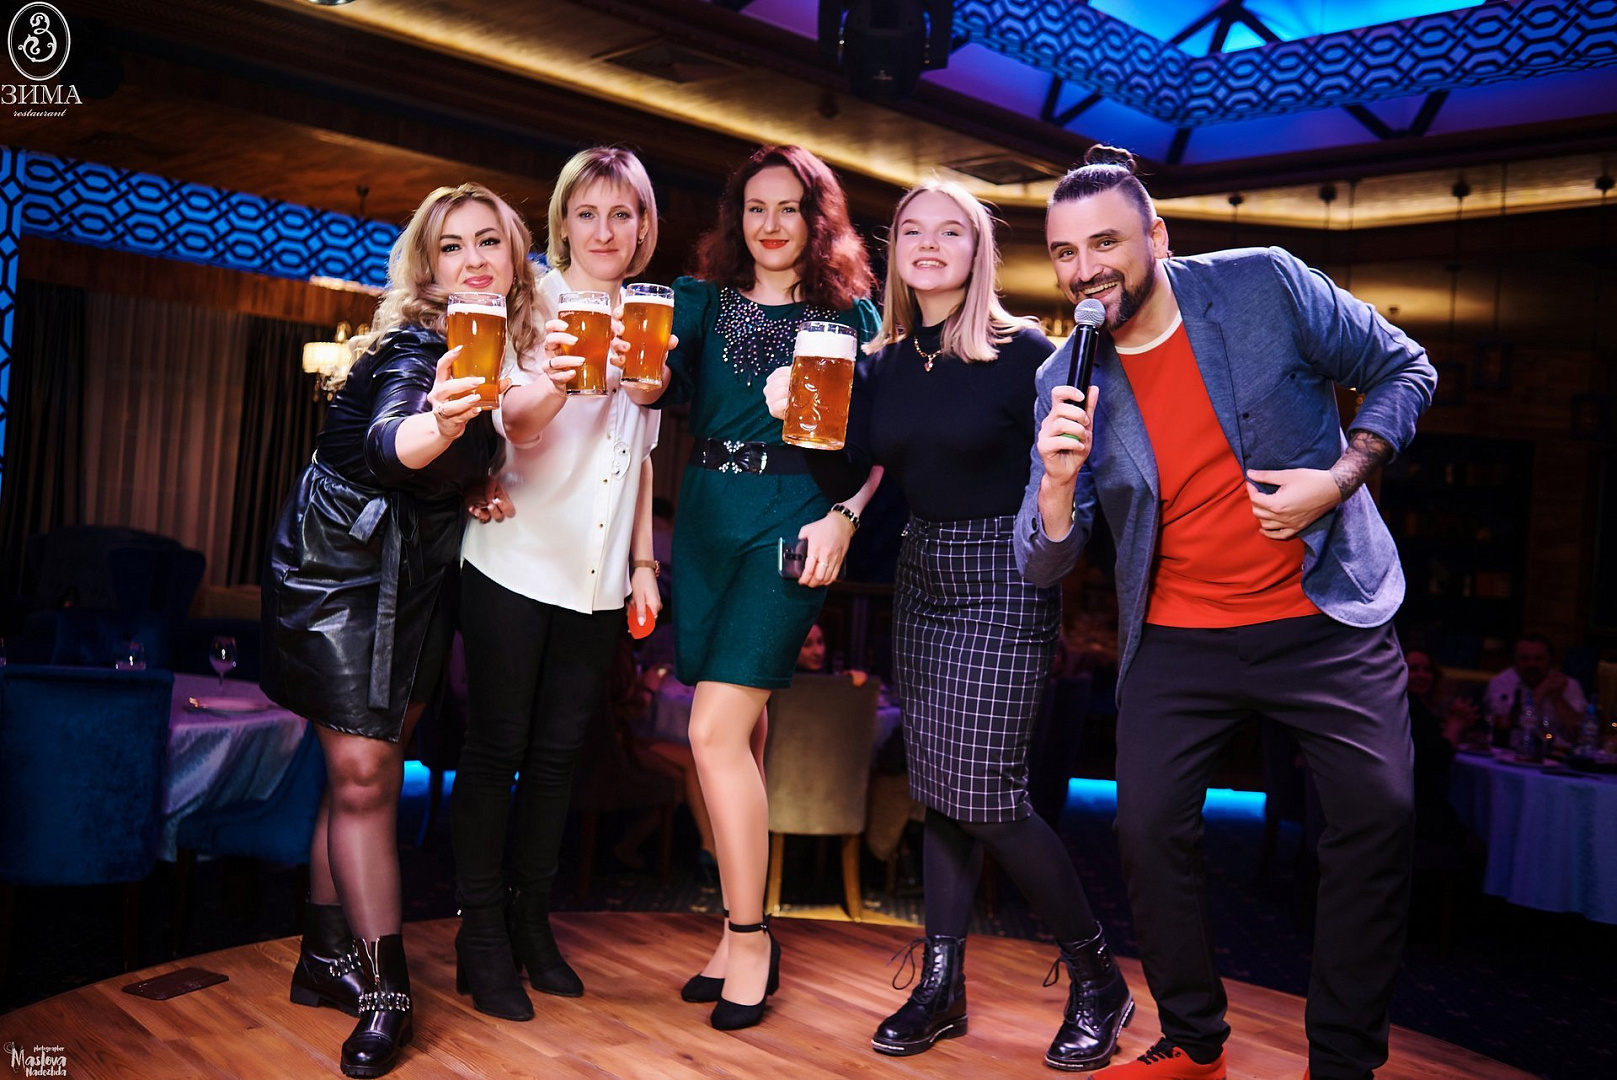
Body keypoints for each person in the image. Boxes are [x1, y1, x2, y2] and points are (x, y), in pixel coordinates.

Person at [1015, 146, 1435, 1080]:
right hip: (1178, 634)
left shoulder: (1263, 286)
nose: (1085, 270)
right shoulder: (1062, 379)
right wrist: (1054, 482)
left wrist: (1337, 479)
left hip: (1323, 614)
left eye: (1105, 243)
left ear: (1156, 237)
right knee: (1143, 829)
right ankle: (1193, 1036)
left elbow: (1404, 370)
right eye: (1064, 252)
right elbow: (1041, 559)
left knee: (1378, 814)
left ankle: (1341, 1062)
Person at [766, 178, 1130, 1070]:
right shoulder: (882, 362)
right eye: (912, 231)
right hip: (922, 571)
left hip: (1004, 572)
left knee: (988, 795)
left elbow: (1075, 484)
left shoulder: (1026, 354)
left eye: (950, 232)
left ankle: (1098, 981)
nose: (928, 245)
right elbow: (840, 476)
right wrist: (798, 422)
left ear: (978, 253)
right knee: (940, 790)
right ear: (894, 251)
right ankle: (941, 986)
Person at [263, 183, 527, 1078]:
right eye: (451, 246)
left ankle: (321, 955)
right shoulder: (414, 350)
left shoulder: (491, 353)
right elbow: (388, 441)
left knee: (359, 775)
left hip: (412, 582)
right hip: (340, 577)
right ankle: (385, 992)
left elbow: (442, 464)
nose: (472, 259)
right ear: (427, 267)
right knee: (367, 775)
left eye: (488, 241)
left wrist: (475, 477)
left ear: (514, 260)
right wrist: (441, 425)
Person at [632, 144, 878, 1031]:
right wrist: (644, 373)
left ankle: (748, 938)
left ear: (819, 220)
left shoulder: (848, 315)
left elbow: (880, 441)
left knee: (711, 731)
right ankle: (736, 927)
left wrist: (844, 514)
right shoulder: (699, 301)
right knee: (742, 732)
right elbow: (652, 391)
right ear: (736, 218)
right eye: (755, 207)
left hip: (792, 518)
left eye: (790, 208)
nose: (771, 224)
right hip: (705, 516)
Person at [449, 146, 664, 1021]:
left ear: (642, 228)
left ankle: (530, 924)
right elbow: (506, 421)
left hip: (598, 573)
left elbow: (640, 458)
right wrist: (561, 379)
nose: (604, 231)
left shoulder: (649, 314)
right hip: (512, 553)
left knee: (559, 757)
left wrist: (644, 564)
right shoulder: (526, 303)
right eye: (587, 213)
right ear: (562, 223)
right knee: (496, 746)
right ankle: (479, 936)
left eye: (622, 215)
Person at [1483, 633, 1588, 743]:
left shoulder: (1568, 684)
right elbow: (1510, 726)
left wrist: (1557, 697)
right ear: (1514, 660)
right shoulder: (1501, 683)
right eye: (1525, 658)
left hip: (1559, 749)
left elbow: (1579, 733)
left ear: (1550, 660)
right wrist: (1541, 691)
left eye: (1539, 658)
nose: (1532, 664)